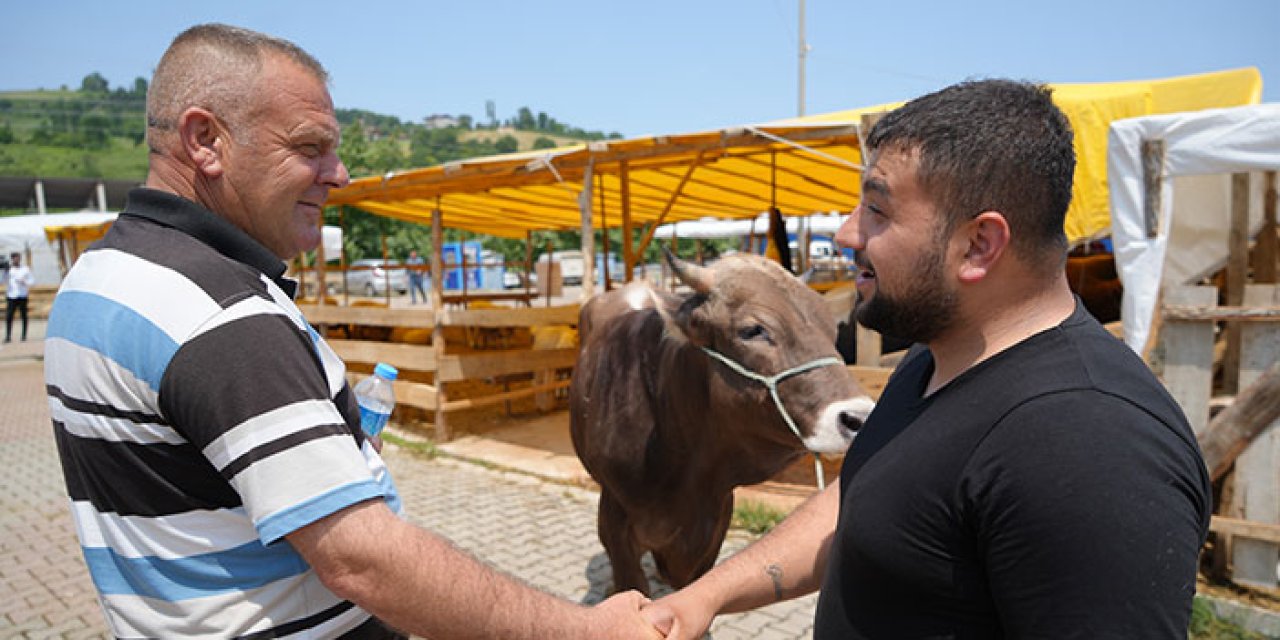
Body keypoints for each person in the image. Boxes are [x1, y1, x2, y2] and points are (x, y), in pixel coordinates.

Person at [45, 23, 660, 640]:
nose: (338, 175)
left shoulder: (97, 277)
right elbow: (363, 561)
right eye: (310, 147)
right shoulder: (224, 317)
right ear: (206, 140)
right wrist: (584, 629)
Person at [643, 80, 1212, 639]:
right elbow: (865, 497)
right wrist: (705, 595)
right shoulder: (939, 355)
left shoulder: (1089, 451)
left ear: (977, 245)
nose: (846, 234)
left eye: (876, 211)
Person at [4, 251, 33, 342]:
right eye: (14, 258)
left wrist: (24, 282)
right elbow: (3, 281)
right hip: (12, 296)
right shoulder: (9, 270)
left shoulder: (25, 269)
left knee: (23, 316)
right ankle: (8, 336)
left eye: (17, 258)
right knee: (9, 316)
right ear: (12, 259)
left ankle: (24, 336)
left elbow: (32, 281)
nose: (16, 259)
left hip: (22, 295)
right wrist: (5, 272)